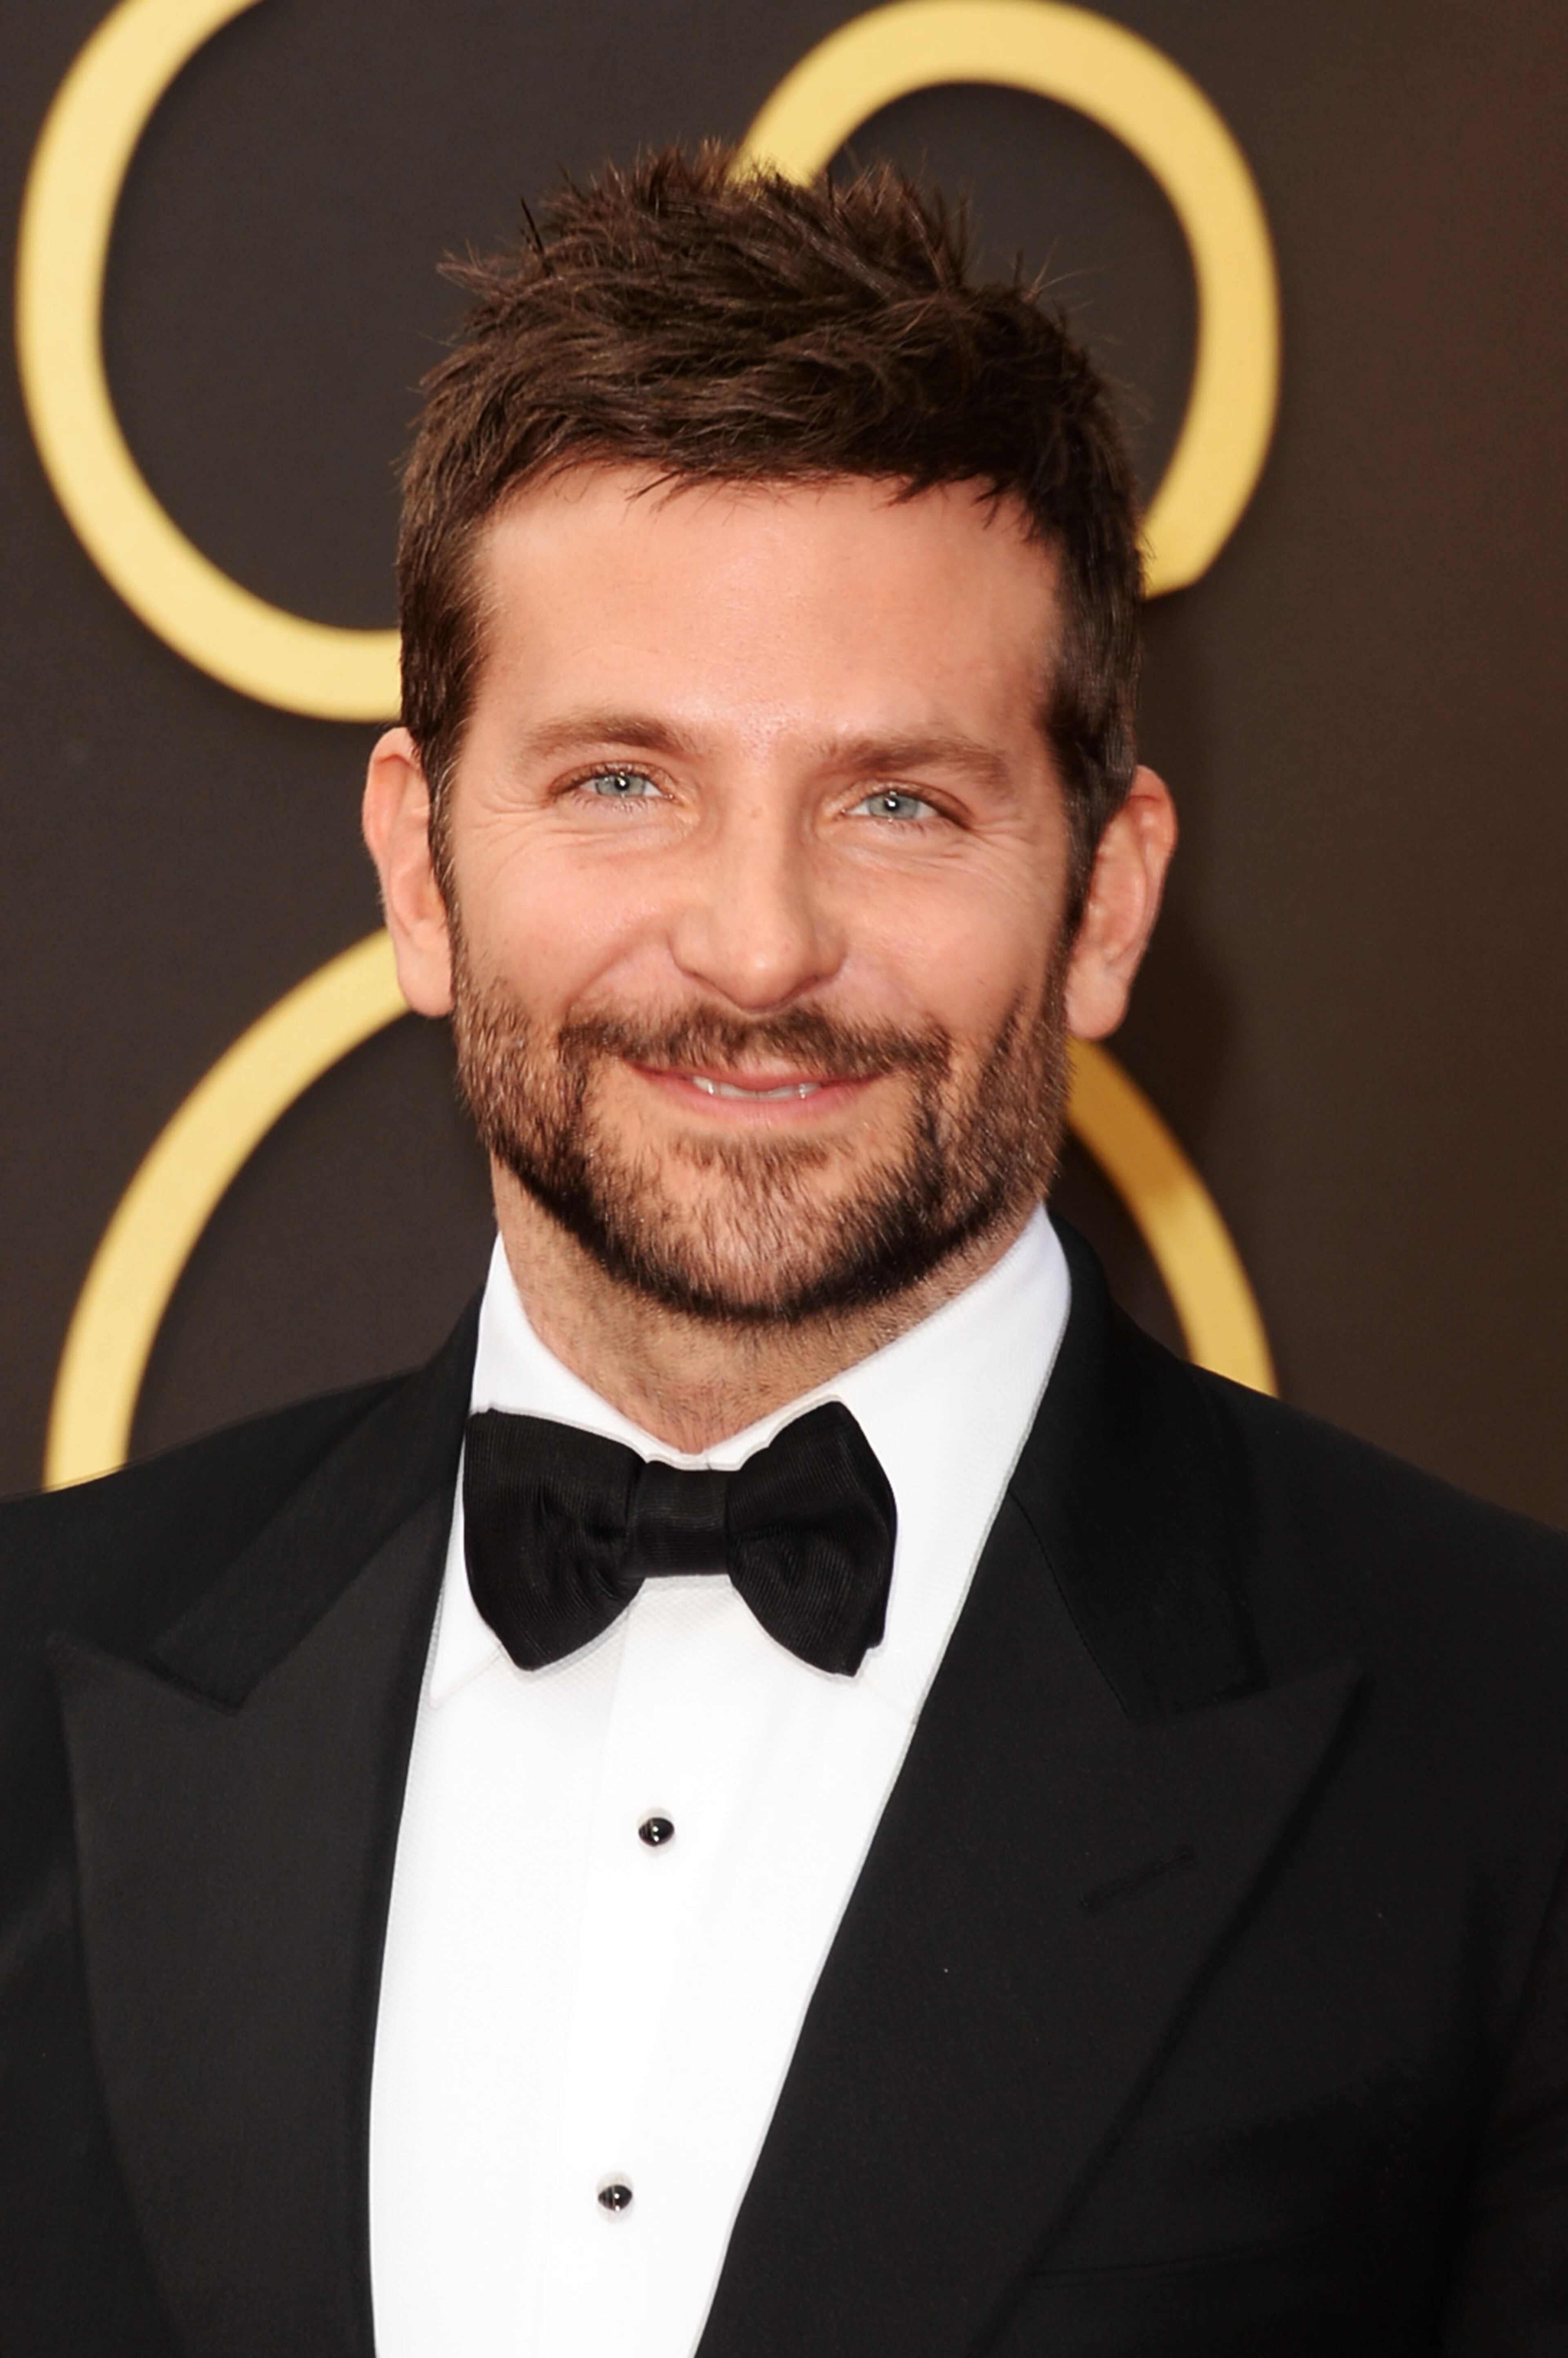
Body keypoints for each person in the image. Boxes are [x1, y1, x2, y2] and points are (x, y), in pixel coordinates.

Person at [2, 146, 1566, 2358]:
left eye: (899, 802)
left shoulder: (1513, 1748)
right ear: (420, 873)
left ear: (1107, 901)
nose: (758, 949)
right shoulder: (34, 1678)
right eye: (624, 782)